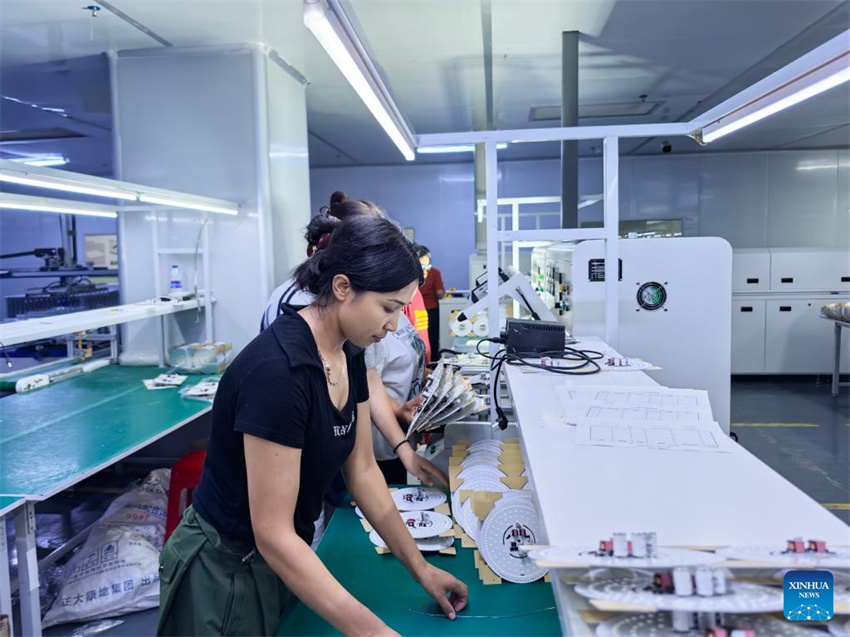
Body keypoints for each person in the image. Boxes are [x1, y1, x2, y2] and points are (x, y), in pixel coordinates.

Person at [158, 215, 467, 636]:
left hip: (276, 559)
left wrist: (420, 568)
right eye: (388, 308)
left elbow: (362, 470)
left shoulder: (349, 351)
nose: (394, 324)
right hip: (224, 568)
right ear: (342, 287)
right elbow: (273, 534)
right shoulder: (280, 372)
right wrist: (374, 632)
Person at [260, 192, 443, 491]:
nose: (392, 324)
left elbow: (366, 378)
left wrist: (401, 446)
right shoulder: (305, 321)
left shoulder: (352, 334)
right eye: (388, 308)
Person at [416, 245, 445, 355]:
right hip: (431, 309)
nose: (425, 273)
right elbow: (439, 293)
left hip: (417, 309)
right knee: (432, 337)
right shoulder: (434, 272)